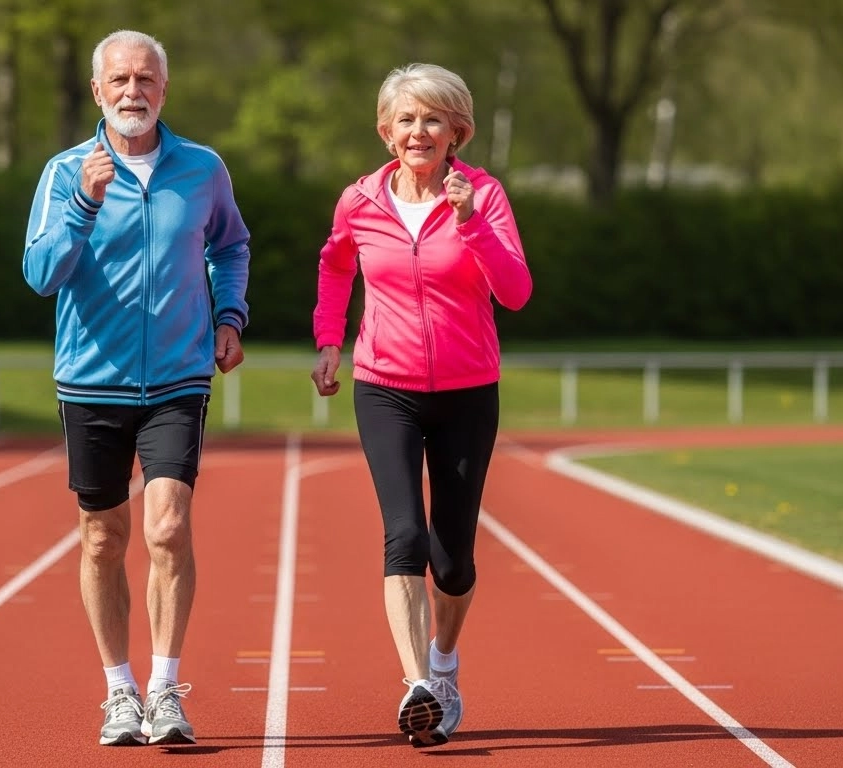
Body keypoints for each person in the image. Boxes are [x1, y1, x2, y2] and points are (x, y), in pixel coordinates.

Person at [21, 29, 250, 747]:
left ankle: (164, 689)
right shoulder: (65, 174)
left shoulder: (202, 169)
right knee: (101, 538)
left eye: (145, 80)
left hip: (179, 377)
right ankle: (119, 691)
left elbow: (230, 246)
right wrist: (86, 206)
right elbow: (40, 274)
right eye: (118, 80)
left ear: (164, 90)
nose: (132, 93)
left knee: (167, 528)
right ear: (97, 91)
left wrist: (229, 314)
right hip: (92, 381)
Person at [310, 62, 531, 747]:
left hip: (467, 392)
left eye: (432, 119)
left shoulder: (484, 196)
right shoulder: (359, 200)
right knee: (403, 536)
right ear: (385, 132)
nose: (418, 131)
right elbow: (335, 264)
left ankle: (443, 663)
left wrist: (470, 224)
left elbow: (516, 292)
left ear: (456, 130)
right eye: (405, 120)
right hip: (386, 387)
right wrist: (328, 340)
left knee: (452, 559)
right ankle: (415, 685)